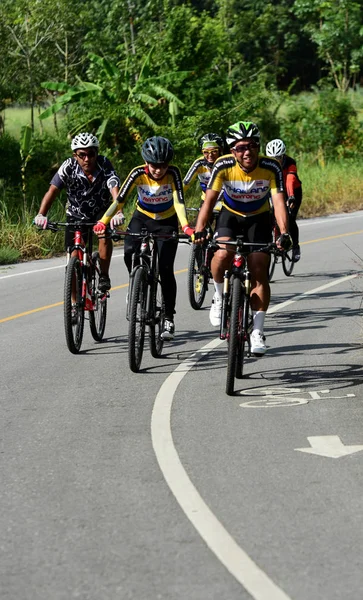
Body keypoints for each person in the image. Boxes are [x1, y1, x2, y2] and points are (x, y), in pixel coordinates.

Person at [194, 121, 291, 355]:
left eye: (251, 146)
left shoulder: (271, 168)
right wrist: (199, 229)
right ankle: (218, 295)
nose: (246, 152)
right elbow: (209, 201)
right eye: (239, 148)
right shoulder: (223, 165)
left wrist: (285, 233)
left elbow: (278, 203)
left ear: (258, 146)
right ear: (232, 150)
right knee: (222, 253)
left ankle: (257, 331)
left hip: (258, 218)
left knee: (259, 268)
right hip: (231, 216)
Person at [93, 136, 194, 341]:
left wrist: (185, 226)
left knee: (166, 269)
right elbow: (120, 201)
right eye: (155, 165)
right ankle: (137, 285)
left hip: (167, 220)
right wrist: (104, 221)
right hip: (142, 218)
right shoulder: (138, 173)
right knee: (129, 251)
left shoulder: (173, 173)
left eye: (163, 165)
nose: (159, 170)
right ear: (147, 162)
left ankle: (168, 317)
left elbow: (179, 202)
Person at [34, 132, 121, 293]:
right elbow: (52, 191)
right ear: (75, 155)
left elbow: (114, 187)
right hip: (75, 214)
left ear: (97, 153)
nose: (87, 159)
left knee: (104, 236)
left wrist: (118, 212)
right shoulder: (68, 166)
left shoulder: (104, 164)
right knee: (73, 258)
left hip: (101, 212)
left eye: (91, 154)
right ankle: (74, 305)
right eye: (82, 155)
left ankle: (103, 275)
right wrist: (41, 214)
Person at [266, 138, 302, 261]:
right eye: (273, 159)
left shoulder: (290, 163)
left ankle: (296, 246)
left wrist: (291, 196)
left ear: (283, 156)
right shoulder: (266, 164)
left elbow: (290, 181)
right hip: (275, 191)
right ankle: (275, 241)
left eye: (278, 158)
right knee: (269, 216)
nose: (276, 161)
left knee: (290, 218)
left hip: (292, 191)